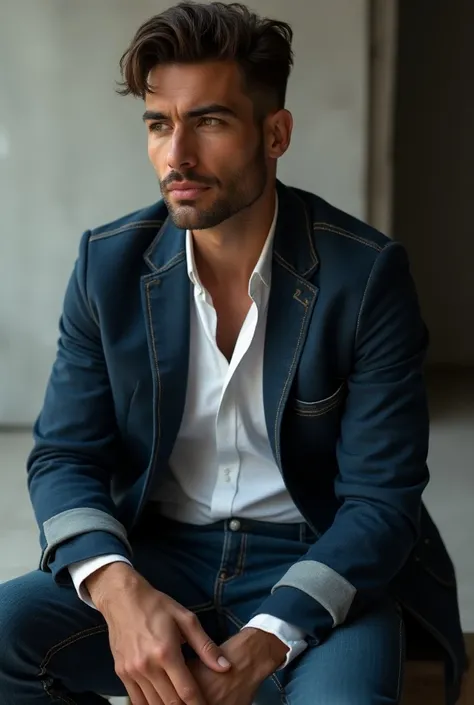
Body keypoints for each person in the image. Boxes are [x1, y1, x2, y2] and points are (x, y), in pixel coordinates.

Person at [0, 2, 466, 704]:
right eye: (160, 124)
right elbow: (65, 455)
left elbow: (380, 502)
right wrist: (119, 589)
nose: (177, 155)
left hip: (315, 557)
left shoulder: (364, 277)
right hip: (160, 555)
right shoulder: (108, 265)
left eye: (209, 121)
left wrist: (270, 636)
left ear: (274, 133)